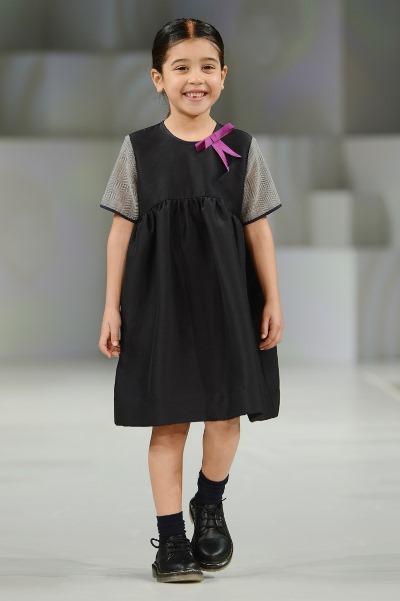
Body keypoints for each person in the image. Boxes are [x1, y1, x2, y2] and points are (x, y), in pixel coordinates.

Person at [98, 17, 284, 583]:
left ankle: (209, 503)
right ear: (158, 78)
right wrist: (111, 306)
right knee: (169, 421)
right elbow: (120, 231)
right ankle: (172, 540)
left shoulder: (241, 148)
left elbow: (258, 228)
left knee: (226, 413)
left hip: (227, 301)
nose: (195, 78)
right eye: (181, 67)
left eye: (207, 67)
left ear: (224, 75)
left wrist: (272, 299)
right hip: (161, 305)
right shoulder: (139, 150)